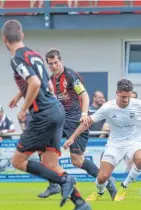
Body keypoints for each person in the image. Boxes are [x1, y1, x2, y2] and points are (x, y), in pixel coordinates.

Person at [2, 19, 90, 210]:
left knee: (17, 161)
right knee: (51, 164)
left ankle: (66, 181)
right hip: (56, 110)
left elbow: (33, 82)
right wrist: (20, 95)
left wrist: (24, 109)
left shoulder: (16, 58)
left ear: (4, 40)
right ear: (22, 36)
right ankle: (80, 203)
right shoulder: (34, 54)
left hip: (42, 115)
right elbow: (47, 86)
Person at [64, 79, 141, 201]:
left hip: (135, 141)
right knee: (102, 177)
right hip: (115, 144)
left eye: (128, 96)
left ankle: (124, 185)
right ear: (117, 93)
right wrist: (72, 137)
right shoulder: (107, 107)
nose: (125, 100)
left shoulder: (138, 104)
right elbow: (88, 123)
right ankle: (99, 192)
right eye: (123, 96)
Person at [37, 48, 117, 200]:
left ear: (61, 61)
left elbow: (85, 96)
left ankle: (108, 181)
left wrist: (85, 114)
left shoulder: (70, 75)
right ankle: (53, 184)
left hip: (75, 122)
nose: (54, 66)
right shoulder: (51, 80)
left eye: (56, 62)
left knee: (77, 160)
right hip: (59, 120)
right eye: (51, 64)